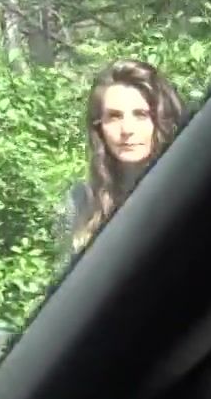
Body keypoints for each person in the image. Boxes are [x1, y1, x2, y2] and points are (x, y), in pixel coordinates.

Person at [59, 59, 191, 259]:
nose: (127, 129)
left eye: (141, 115)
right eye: (114, 116)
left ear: (162, 120)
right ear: (99, 127)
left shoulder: (191, 187)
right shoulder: (80, 201)